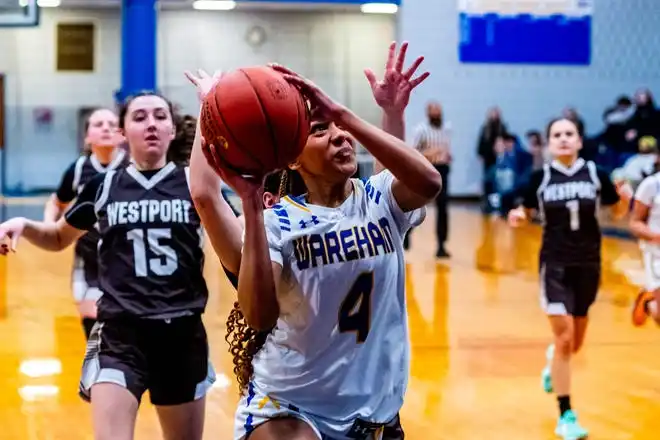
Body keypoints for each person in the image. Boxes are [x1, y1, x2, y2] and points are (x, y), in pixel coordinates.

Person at [191, 42, 440, 439]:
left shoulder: (376, 200)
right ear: (292, 157)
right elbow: (257, 316)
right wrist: (250, 202)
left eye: (343, 130)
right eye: (322, 131)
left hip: (375, 413)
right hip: (293, 406)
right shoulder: (277, 223)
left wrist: (360, 115)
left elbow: (427, 181)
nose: (341, 136)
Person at [0, 92, 215, 440]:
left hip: (182, 334)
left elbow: (240, 240)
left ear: (173, 130)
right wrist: (24, 225)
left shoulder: (194, 184)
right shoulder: (105, 186)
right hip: (120, 334)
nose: (151, 124)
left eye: (160, 116)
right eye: (139, 117)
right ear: (123, 132)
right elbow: (57, 238)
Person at [508, 117, 631, 440]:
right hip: (556, 265)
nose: (563, 139)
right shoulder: (540, 177)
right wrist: (519, 215)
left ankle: (553, 364)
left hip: (589, 265)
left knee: (574, 343)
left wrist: (625, 201)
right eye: (556, 135)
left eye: (569, 134)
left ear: (579, 140)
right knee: (563, 339)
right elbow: (523, 209)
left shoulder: (595, 174)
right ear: (550, 143)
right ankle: (566, 414)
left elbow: (616, 212)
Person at [43, 108, 128, 339]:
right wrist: (50, 224)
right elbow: (57, 202)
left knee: (124, 327)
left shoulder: (133, 165)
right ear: (87, 137)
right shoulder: (79, 168)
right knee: (93, 329)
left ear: (122, 134)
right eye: (98, 124)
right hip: (89, 258)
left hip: (127, 259)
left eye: (112, 124)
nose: (106, 128)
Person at [405, 101, 451, 256]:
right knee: (417, 205)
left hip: (443, 169)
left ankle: (441, 245)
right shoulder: (421, 130)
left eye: (439, 110)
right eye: (434, 111)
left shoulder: (447, 129)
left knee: (443, 207)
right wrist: (431, 153)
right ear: (428, 113)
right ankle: (407, 232)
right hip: (426, 169)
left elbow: (446, 149)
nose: (437, 114)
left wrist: (447, 156)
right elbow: (413, 152)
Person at [629, 149, 660, 326]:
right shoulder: (652, 185)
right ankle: (649, 302)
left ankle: (650, 300)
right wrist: (656, 236)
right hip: (656, 255)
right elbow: (635, 223)